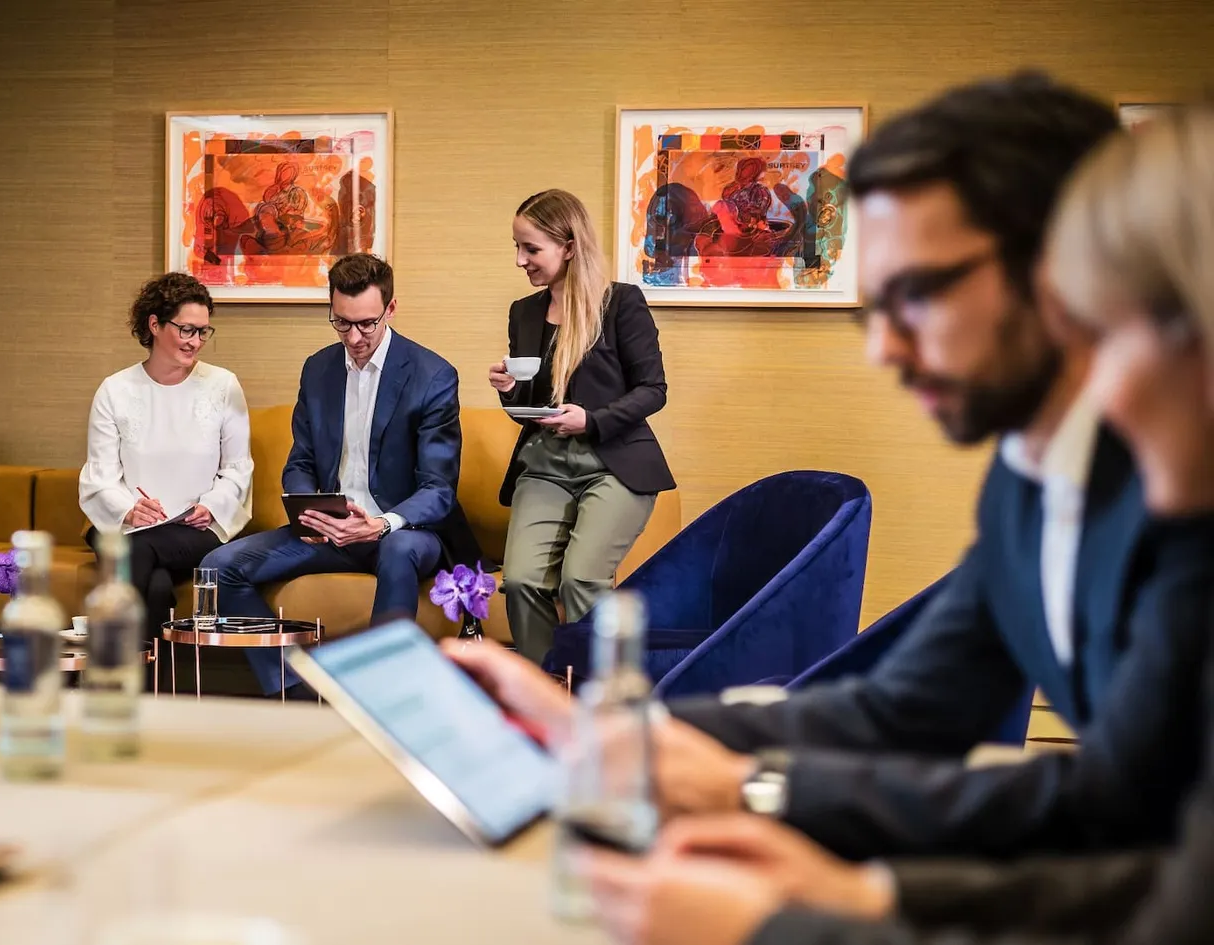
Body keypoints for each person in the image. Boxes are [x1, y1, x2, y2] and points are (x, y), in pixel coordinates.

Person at [457, 72, 1214, 868]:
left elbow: (1159, 876)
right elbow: (898, 711)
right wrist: (606, 733)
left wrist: (825, 903)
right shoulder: (1031, 483)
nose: (883, 346)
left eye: (916, 292)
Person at [203, 253, 477, 697]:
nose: (354, 337)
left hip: (402, 531)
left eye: (366, 324)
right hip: (331, 530)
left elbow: (438, 489)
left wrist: (380, 524)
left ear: (390, 309)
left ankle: (383, 696)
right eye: (341, 323)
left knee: (398, 550)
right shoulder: (318, 369)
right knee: (217, 568)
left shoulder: (432, 375)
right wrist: (310, 512)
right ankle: (294, 689)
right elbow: (301, 462)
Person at [489, 189, 674, 663]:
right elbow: (533, 401)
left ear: (569, 246)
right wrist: (509, 389)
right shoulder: (523, 312)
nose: (520, 260)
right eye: (517, 247)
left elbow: (653, 389)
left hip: (614, 463)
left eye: (531, 249)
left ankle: (596, 691)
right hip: (545, 463)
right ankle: (544, 687)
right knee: (522, 581)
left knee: (582, 579)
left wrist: (592, 420)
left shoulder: (621, 303)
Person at [78, 272, 253, 651]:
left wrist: (212, 506)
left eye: (203, 332)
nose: (195, 341)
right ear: (154, 324)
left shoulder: (223, 385)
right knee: (155, 585)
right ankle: (151, 682)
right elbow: (100, 475)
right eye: (186, 330)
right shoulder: (115, 390)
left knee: (136, 551)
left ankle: (107, 663)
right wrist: (128, 509)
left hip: (195, 529)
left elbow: (238, 468)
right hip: (126, 526)